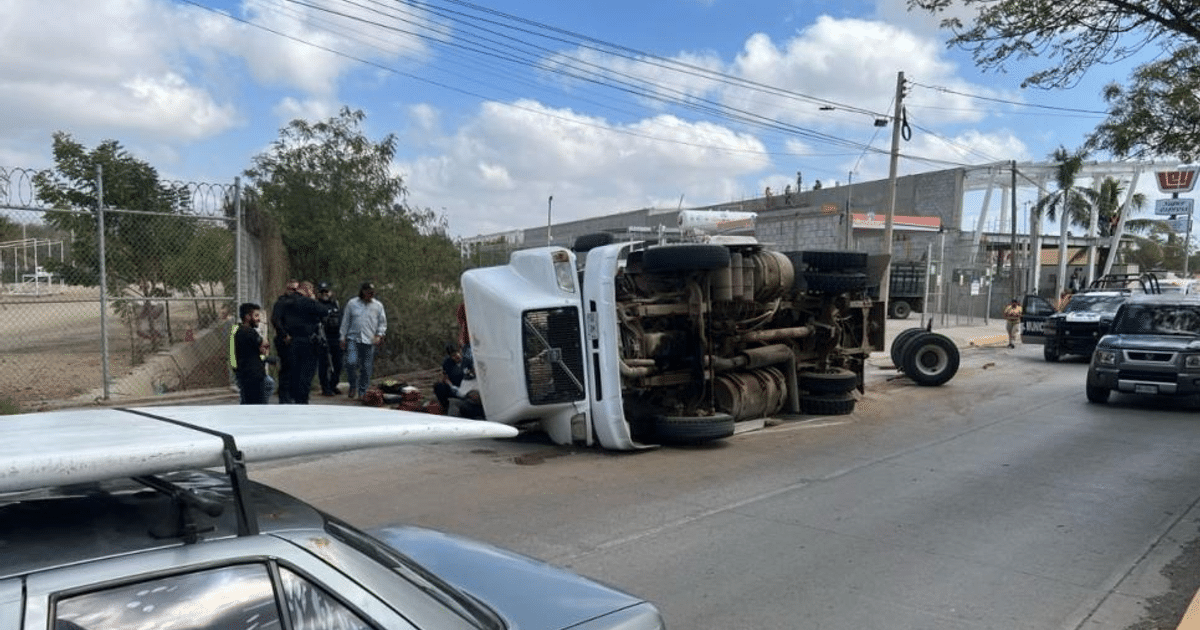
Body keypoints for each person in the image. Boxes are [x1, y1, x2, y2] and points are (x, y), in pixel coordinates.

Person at [283, 281, 331, 404]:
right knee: (306, 373)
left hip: (293, 340)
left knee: (295, 371)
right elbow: (324, 311)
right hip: (308, 341)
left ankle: (293, 397)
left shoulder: (286, 302)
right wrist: (313, 299)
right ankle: (302, 400)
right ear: (308, 289)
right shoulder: (307, 302)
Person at [339, 281, 388, 399]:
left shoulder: (378, 306)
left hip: (369, 340)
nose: (370, 295)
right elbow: (346, 321)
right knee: (351, 363)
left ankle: (362, 391)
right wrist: (342, 337)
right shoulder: (352, 303)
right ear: (362, 292)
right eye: (368, 292)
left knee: (366, 368)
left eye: (372, 293)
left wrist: (380, 335)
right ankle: (353, 385)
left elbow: (382, 323)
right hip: (353, 338)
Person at [233, 302, 273, 404]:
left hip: (247, 373)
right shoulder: (249, 332)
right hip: (252, 375)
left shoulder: (240, 331)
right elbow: (264, 345)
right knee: (256, 403)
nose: (258, 319)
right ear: (247, 317)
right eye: (256, 315)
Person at [270, 279, 299, 404]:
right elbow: (276, 320)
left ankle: (292, 394)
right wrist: (284, 334)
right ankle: (284, 396)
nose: (292, 292)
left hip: (296, 339)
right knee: (287, 367)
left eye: (295, 289)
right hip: (285, 339)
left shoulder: (298, 303)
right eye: (290, 289)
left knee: (295, 368)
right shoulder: (281, 303)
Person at [316, 282, 343, 396]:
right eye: (322, 292)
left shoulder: (335, 304)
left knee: (338, 363)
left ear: (330, 292)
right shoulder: (317, 305)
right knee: (324, 364)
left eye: (326, 291)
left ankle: (333, 384)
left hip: (336, 337)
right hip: (323, 337)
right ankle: (325, 387)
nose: (324, 294)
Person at [433, 342, 469, 410]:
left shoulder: (467, 359)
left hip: (469, 386)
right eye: (453, 355)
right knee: (439, 386)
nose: (456, 356)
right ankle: (445, 407)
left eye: (457, 353)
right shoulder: (447, 363)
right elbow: (446, 377)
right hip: (455, 388)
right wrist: (452, 386)